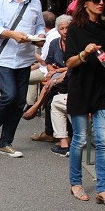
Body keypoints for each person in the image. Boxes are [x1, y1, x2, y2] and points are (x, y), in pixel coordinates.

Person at [0, 0, 46, 157]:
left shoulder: (35, 2)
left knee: (19, 102)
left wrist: (41, 35)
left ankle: (6, 142)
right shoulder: (1, 1)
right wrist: (12, 34)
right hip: (4, 57)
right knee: (9, 95)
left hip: (25, 59)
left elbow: (40, 26)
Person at [64, 0, 105, 206]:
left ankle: (103, 189)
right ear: (85, 2)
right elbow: (69, 63)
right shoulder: (75, 29)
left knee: (103, 141)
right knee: (80, 139)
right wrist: (84, 54)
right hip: (80, 88)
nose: (101, 3)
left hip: (102, 89)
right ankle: (76, 183)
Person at [46, 14, 72, 156]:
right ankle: (50, 132)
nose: (65, 31)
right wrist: (51, 70)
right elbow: (48, 61)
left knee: (52, 100)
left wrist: (58, 72)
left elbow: (71, 66)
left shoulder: (75, 44)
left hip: (68, 79)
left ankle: (60, 137)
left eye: (67, 28)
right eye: (61, 28)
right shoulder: (54, 43)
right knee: (50, 96)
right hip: (57, 75)